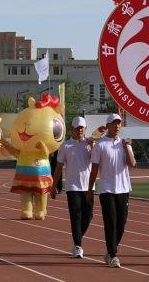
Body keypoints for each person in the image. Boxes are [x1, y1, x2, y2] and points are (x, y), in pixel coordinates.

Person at [87, 113, 135, 268]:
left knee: (121, 223)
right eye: (114, 124)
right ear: (107, 126)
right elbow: (94, 169)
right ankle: (113, 255)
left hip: (123, 188)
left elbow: (132, 163)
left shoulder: (125, 143)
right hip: (106, 189)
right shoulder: (100, 145)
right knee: (111, 221)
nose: (117, 126)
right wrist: (89, 190)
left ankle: (110, 250)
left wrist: (126, 146)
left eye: (119, 124)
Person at [51, 116, 93, 259]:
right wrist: (53, 186)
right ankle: (77, 245)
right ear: (72, 130)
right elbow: (58, 168)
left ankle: (78, 237)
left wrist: (93, 145)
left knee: (88, 216)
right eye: (77, 128)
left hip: (89, 187)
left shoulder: (90, 145)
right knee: (76, 216)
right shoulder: (65, 146)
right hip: (72, 187)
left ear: (85, 129)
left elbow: (98, 160)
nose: (80, 130)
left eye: (82, 128)